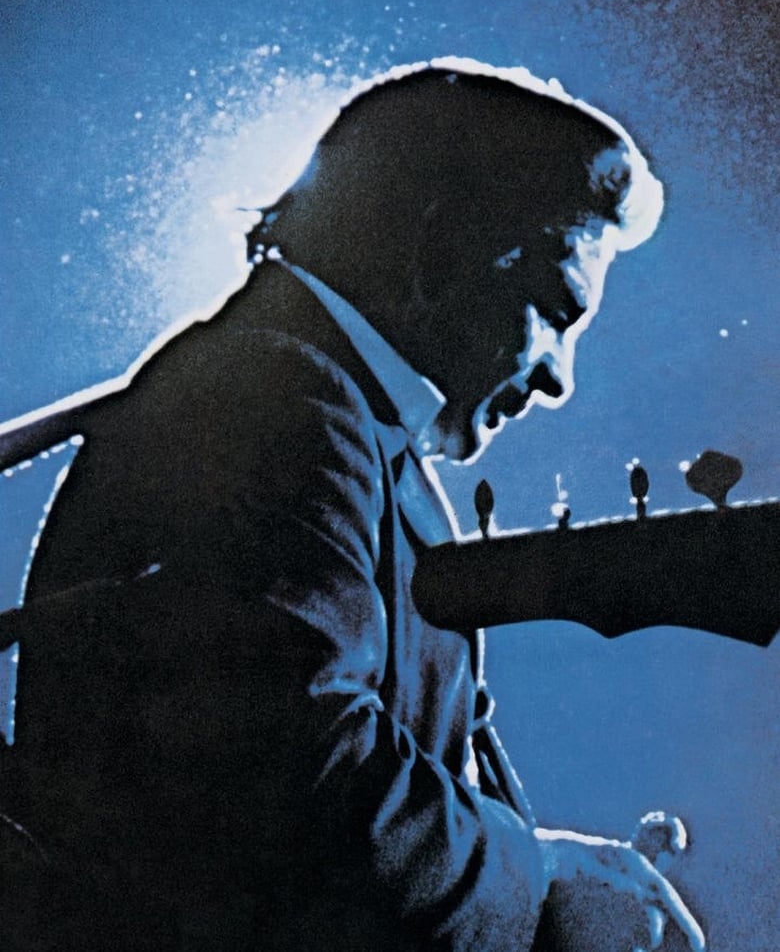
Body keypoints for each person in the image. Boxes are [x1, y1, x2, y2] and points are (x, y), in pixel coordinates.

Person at [1, 61, 704, 951]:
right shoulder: (278, 402)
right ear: (441, 244)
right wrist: (539, 883)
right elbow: (299, 782)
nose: (559, 380)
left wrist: (548, 874)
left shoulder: (332, 421)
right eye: (556, 312)